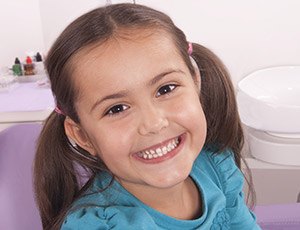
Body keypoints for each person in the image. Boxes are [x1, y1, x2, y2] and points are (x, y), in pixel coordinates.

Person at [34, 3, 261, 230]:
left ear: (195, 81)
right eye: (117, 109)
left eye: (166, 89)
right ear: (82, 136)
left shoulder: (217, 167)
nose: (153, 123)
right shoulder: (100, 226)